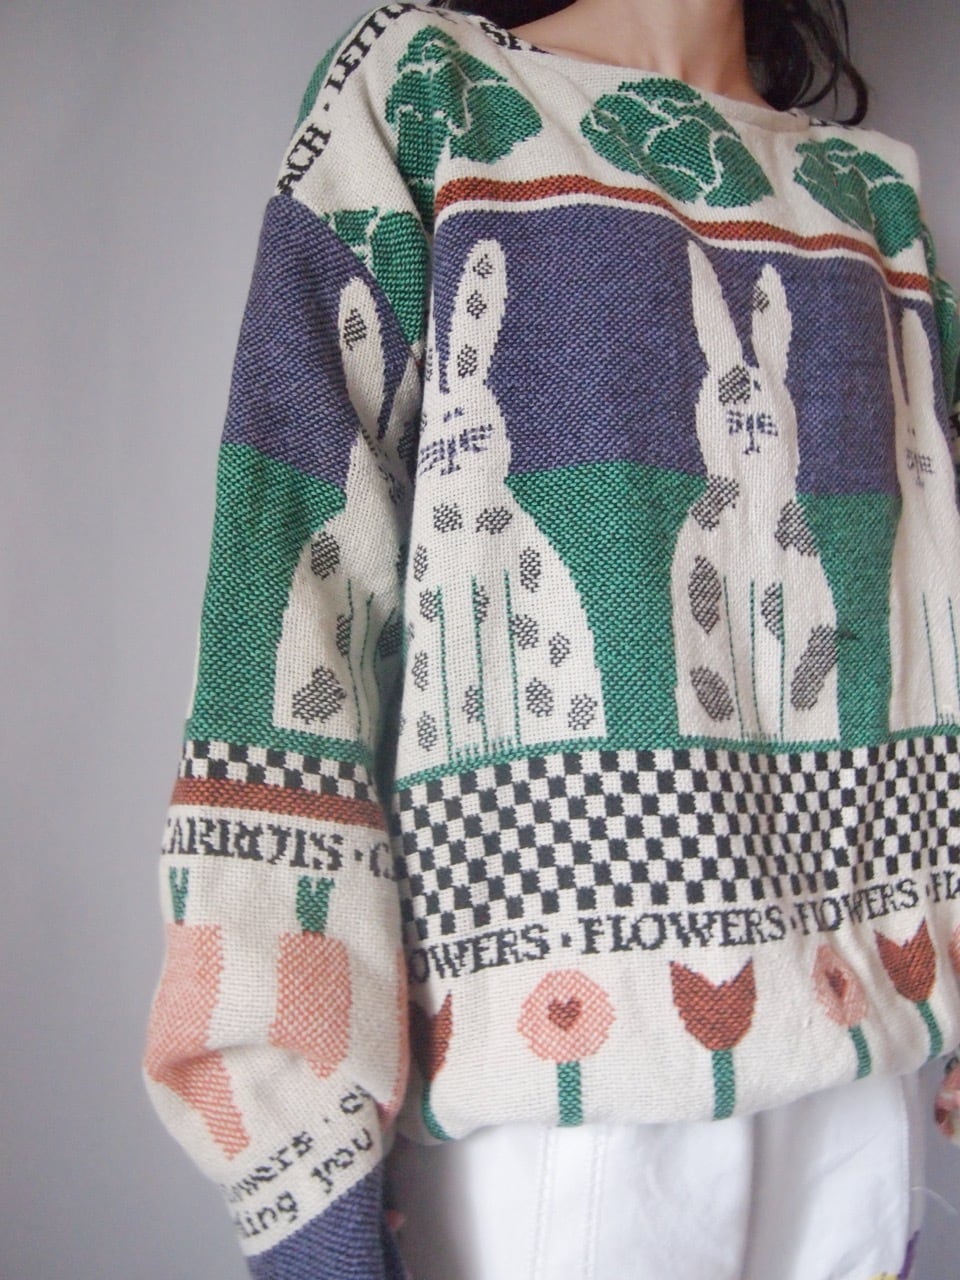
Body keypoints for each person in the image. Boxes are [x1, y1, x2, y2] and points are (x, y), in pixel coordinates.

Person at [140, 1, 960, 1277]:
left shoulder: (871, 197)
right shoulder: (431, 94)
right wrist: (295, 1143)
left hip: (865, 1084)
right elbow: (296, 579)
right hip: (562, 1111)